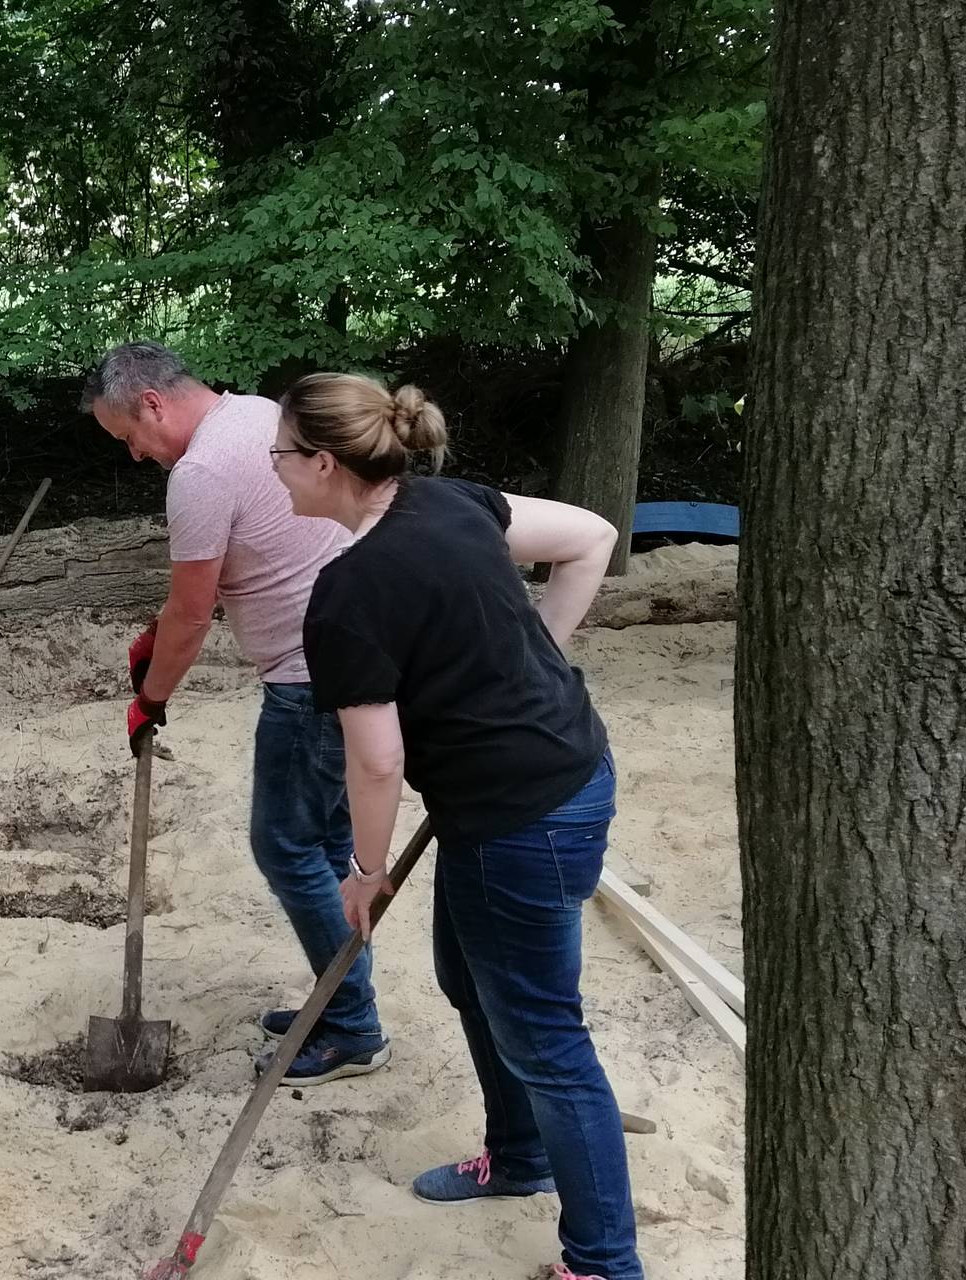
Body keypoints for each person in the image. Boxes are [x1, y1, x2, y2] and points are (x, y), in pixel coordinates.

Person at [272, 372, 637, 1280]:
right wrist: (529, 660)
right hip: (557, 777)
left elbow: (377, 763)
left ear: (324, 464)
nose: (273, 467)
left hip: (522, 816)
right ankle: (519, 1156)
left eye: (280, 453)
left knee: (547, 1039)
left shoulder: (349, 593)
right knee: (467, 977)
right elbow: (590, 538)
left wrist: (365, 870)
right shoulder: (448, 501)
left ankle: (603, 1264)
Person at [83, 341, 388, 1086]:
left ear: (151, 403)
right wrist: (159, 636)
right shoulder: (258, 415)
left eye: (128, 436)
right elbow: (214, 589)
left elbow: (192, 616)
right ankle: (340, 1000)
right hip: (358, 657)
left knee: (284, 847)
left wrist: (150, 698)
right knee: (323, 844)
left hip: (308, 680)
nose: (134, 454)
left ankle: (351, 1025)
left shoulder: (201, 472)